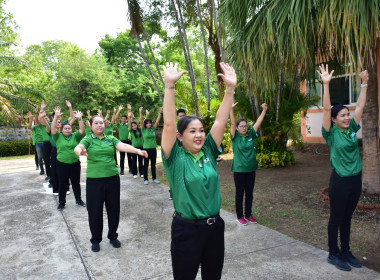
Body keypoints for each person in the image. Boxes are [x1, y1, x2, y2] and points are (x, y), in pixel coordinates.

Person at [161, 62, 236, 279]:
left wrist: (229, 89)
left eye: (201, 130)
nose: (199, 135)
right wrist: (169, 86)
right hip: (186, 230)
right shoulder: (174, 157)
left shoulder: (209, 151)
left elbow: (221, 119)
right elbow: (168, 124)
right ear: (180, 136)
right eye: (192, 131)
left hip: (214, 229)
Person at [318, 64, 368, 272]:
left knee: (347, 217)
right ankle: (333, 253)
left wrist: (364, 84)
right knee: (336, 218)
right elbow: (327, 109)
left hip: (355, 179)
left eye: (348, 114)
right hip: (339, 180)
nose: (347, 118)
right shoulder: (330, 133)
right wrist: (326, 84)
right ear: (334, 120)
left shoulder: (351, 129)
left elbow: (361, 107)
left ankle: (346, 250)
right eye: (343, 116)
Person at [74, 115, 148, 252]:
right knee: (94, 211)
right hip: (94, 181)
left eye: (101, 123)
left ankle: (113, 236)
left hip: (112, 179)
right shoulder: (88, 139)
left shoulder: (110, 138)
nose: (99, 125)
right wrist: (80, 151)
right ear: (91, 126)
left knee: (113, 209)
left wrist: (137, 150)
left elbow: (123, 145)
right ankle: (95, 239)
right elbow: (78, 147)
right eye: (96, 123)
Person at [230, 102, 267, 225]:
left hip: (251, 169)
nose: (244, 128)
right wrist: (231, 109)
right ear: (237, 128)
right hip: (239, 170)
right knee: (240, 194)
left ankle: (248, 214)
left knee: (250, 193)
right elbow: (231, 122)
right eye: (241, 126)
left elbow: (258, 122)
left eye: (245, 126)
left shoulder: (251, 134)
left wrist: (264, 110)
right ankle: (240, 216)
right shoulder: (235, 137)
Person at [51, 107, 86, 211]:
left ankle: (78, 200)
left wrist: (80, 119)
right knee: (63, 184)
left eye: (69, 128)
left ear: (71, 130)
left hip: (75, 164)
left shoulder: (75, 136)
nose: (67, 130)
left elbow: (82, 130)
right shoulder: (58, 137)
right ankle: (62, 203)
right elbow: (53, 128)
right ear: (61, 130)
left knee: (76, 183)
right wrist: (56, 116)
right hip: (62, 164)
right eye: (65, 128)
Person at [141, 107, 162, 185]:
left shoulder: (153, 129)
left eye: (150, 123)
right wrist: (141, 113)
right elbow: (141, 121)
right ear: (145, 124)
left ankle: (154, 178)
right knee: (146, 165)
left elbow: (157, 121)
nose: (149, 124)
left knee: (153, 164)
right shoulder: (143, 130)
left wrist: (160, 113)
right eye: (147, 123)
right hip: (146, 149)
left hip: (153, 149)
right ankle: (145, 179)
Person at [115, 105, 132, 175]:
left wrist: (129, 110)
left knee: (129, 156)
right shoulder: (119, 125)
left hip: (128, 141)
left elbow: (131, 118)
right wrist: (119, 110)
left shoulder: (129, 125)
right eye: (122, 119)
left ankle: (131, 169)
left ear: (126, 119)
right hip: (121, 142)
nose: (124, 120)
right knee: (122, 157)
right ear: (121, 119)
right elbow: (115, 119)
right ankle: (122, 170)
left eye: (125, 119)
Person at [128, 107, 144, 178]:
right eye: (132, 126)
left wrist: (140, 112)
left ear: (137, 125)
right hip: (134, 148)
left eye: (135, 125)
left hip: (141, 147)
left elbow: (142, 121)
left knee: (140, 161)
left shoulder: (140, 130)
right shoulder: (131, 131)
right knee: (134, 161)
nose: (134, 127)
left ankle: (141, 173)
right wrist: (129, 115)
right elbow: (129, 123)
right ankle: (134, 173)